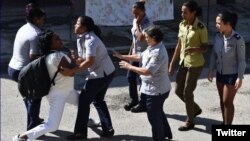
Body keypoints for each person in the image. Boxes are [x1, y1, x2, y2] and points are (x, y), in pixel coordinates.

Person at [12, 30, 79, 141]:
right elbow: (71, 73)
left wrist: (71, 58)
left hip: (67, 90)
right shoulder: (57, 56)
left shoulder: (50, 56)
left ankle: (85, 122)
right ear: (49, 44)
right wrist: (75, 59)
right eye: (56, 38)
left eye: (58, 37)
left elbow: (68, 69)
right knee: (52, 125)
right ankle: (22, 137)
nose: (59, 39)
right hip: (59, 94)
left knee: (83, 103)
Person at [113, 25, 172, 141]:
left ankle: (159, 138)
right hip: (149, 88)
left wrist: (129, 66)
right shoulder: (152, 46)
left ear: (154, 37)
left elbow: (148, 71)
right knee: (158, 112)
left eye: (147, 37)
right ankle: (166, 133)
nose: (145, 39)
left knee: (154, 117)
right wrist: (122, 56)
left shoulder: (158, 52)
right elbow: (140, 56)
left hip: (157, 90)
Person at [61, 16, 116, 140]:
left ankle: (80, 133)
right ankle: (108, 128)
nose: (75, 25)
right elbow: (84, 60)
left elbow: (89, 62)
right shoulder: (81, 38)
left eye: (77, 24)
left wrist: (72, 70)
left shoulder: (91, 40)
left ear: (84, 27)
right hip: (107, 72)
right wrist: (76, 58)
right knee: (98, 100)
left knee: (83, 101)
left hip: (101, 74)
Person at [168, 0, 208, 131]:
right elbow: (178, 46)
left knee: (187, 92)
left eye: (185, 12)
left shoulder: (201, 27)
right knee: (178, 91)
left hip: (195, 64)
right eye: (181, 12)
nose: (182, 14)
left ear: (193, 13)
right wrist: (172, 64)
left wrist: (195, 49)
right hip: (183, 62)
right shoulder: (182, 25)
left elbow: (205, 47)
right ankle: (195, 109)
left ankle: (190, 121)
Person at [8, 5, 46, 130]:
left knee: (29, 95)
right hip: (23, 71)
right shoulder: (36, 34)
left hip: (12, 68)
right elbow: (33, 56)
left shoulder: (23, 28)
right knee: (35, 97)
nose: (43, 22)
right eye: (42, 19)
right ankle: (32, 127)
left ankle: (34, 118)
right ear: (36, 19)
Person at [208, 11, 246, 125]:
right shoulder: (218, 36)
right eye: (216, 23)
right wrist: (211, 69)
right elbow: (213, 54)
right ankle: (224, 122)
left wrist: (240, 77)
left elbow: (241, 60)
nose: (216, 25)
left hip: (232, 75)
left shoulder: (237, 39)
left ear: (228, 24)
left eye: (219, 23)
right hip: (220, 74)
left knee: (227, 102)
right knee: (222, 101)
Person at [124, 1, 153, 113]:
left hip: (145, 55)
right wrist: (130, 53)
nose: (135, 16)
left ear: (143, 12)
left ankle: (143, 104)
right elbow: (135, 39)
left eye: (137, 13)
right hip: (136, 54)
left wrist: (137, 24)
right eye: (133, 14)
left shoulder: (148, 23)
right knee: (130, 77)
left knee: (143, 80)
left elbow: (141, 38)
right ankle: (134, 100)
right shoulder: (135, 20)